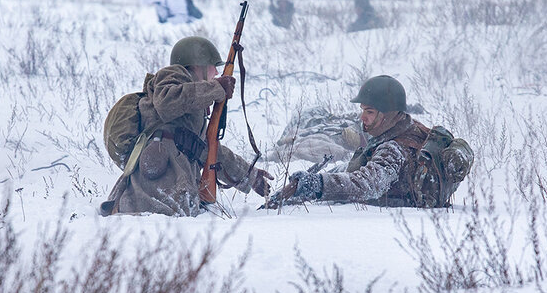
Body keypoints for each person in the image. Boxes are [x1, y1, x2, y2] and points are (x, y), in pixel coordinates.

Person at [100, 36, 271, 216]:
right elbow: (166, 102)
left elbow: (208, 149)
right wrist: (215, 88)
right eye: (214, 67)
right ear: (199, 65)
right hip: (152, 192)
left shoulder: (191, 103)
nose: (217, 73)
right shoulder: (174, 75)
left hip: (170, 191)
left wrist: (249, 176)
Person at [278, 75, 471, 208]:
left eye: (369, 112)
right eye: (363, 110)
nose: (362, 117)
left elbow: (367, 184)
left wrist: (317, 184)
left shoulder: (394, 149)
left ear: (388, 113)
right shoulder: (409, 126)